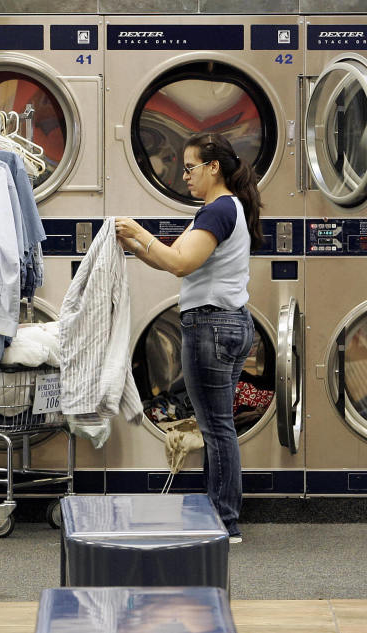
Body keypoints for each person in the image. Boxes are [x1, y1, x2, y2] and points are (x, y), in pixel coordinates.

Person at [114, 133, 264, 544]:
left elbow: (180, 263)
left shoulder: (218, 210)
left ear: (213, 167)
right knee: (218, 426)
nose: (185, 176)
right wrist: (133, 243)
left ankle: (225, 522)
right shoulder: (223, 209)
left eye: (190, 167)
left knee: (216, 428)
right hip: (231, 323)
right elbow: (171, 259)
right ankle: (218, 516)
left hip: (212, 327)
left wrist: (139, 231)